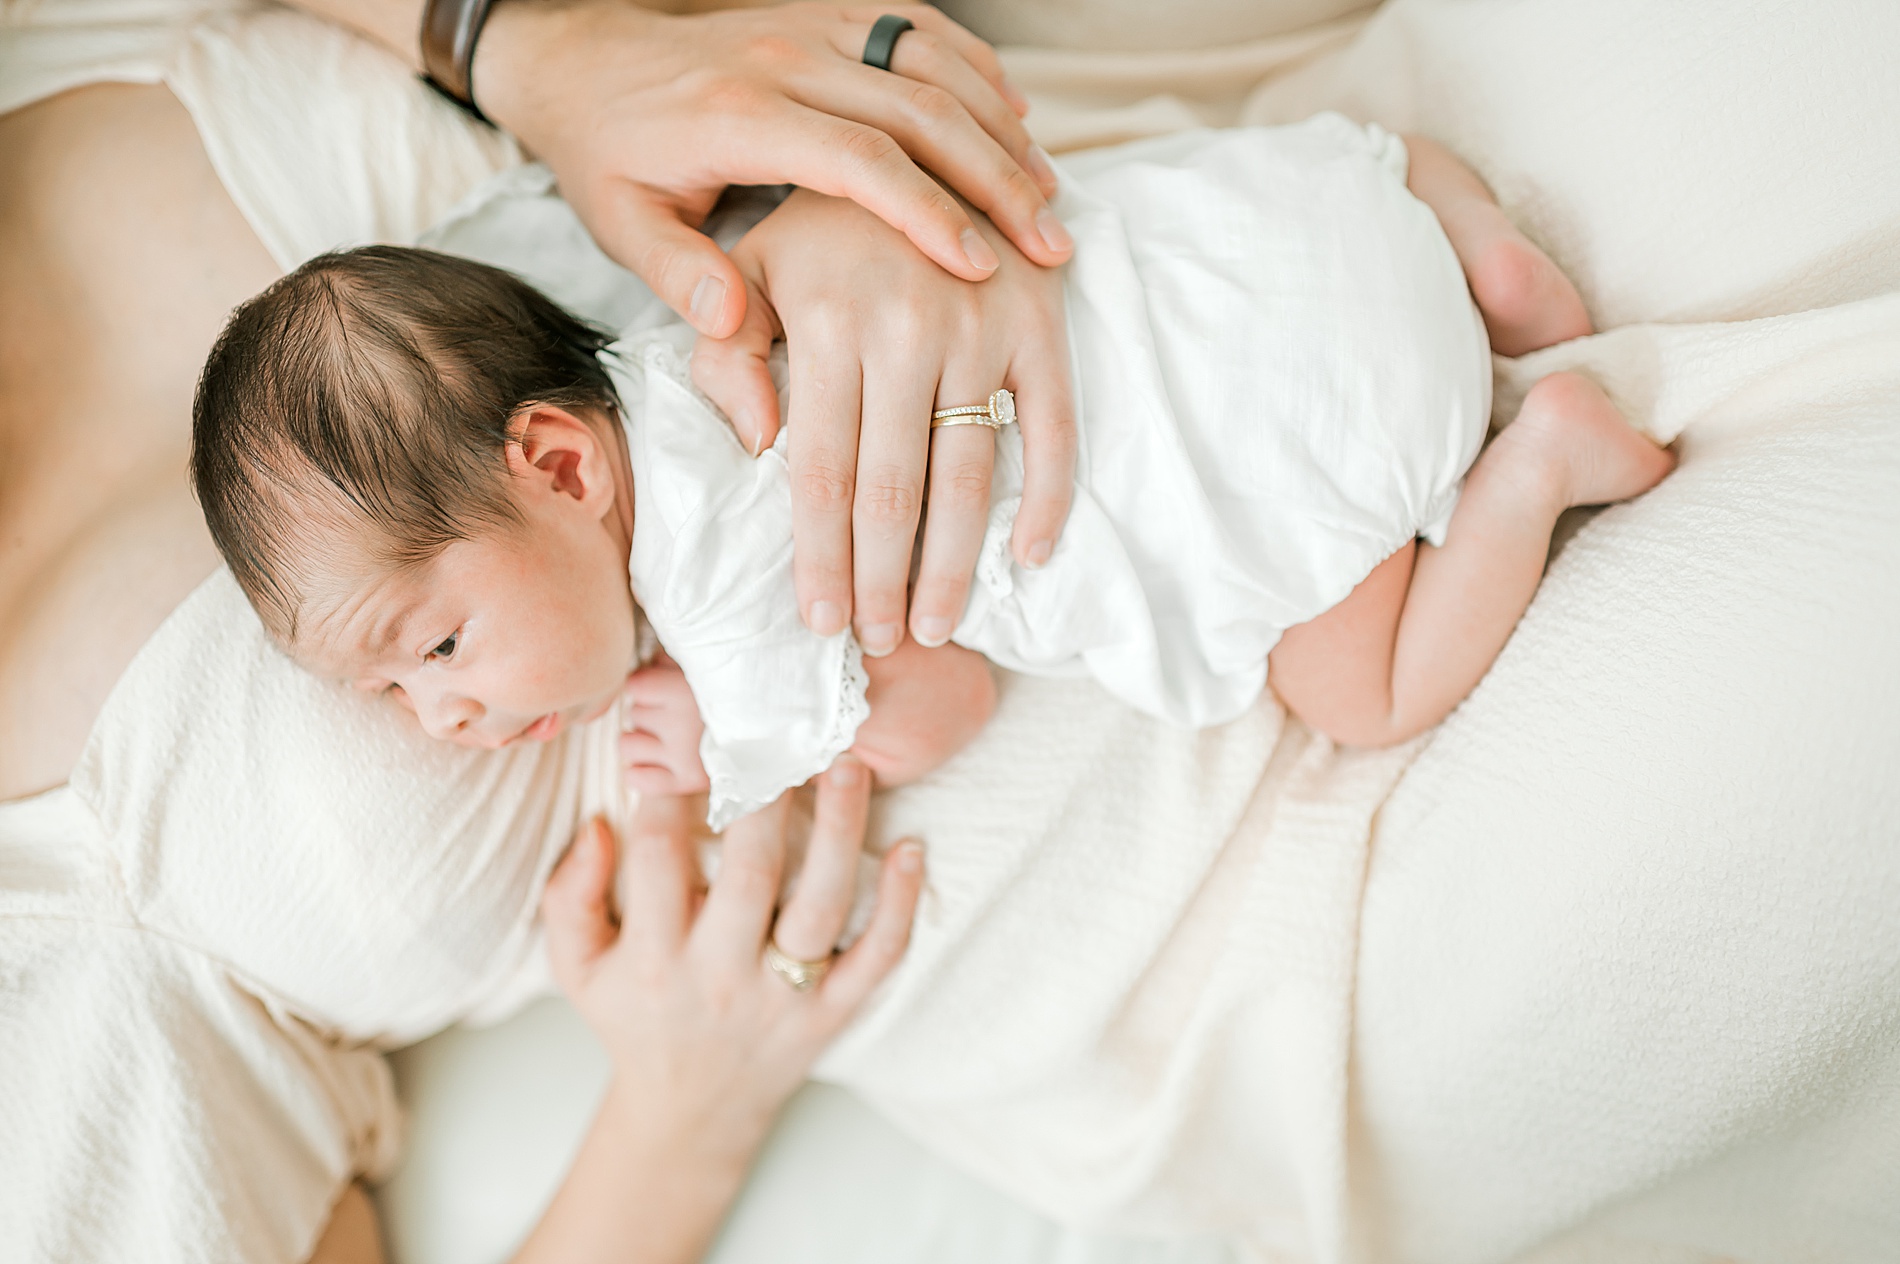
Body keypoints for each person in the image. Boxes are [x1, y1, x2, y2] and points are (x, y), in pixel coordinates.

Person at [0, 1, 1076, 1259]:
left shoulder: (56, 43)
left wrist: (552, 58)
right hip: (1139, 946)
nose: (441, 711)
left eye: (437, 652)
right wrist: (687, 1110)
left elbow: (790, 76)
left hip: (1104, 308)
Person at [186, 119, 1673, 828]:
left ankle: (1537, 464)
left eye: (435, 648)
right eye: (396, 697)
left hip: (1277, 426)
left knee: (1361, 696)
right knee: (1157, 231)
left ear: (561, 466)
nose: (443, 717)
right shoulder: (696, 329)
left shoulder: (731, 610)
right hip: (1279, 228)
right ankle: (1471, 242)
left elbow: (944, 699)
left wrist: (725, 740)